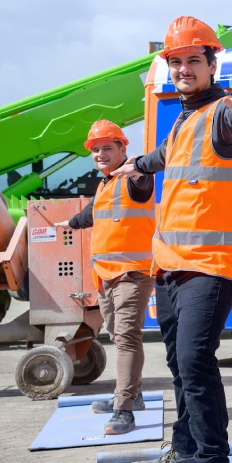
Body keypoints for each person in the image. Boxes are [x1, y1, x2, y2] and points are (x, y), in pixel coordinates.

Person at [110, 16, 232, 463]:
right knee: (178, 364)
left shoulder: (220, 114)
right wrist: (136, 165)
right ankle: (184, 451)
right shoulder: (181, 122)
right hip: (171, 266)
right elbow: (163, 158)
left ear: (211, 64)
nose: (182, 69)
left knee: (196, 363)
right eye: (175, 62)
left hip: (210, 265)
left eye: (192, 61)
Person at [57, 120, 155, 436]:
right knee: (115, 334)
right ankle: (133, 395)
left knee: (126, 337)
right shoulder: (104, 184)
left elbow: (142, 179)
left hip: (132, 273)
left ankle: (123, 409)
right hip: (106, 276)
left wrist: (138, 168)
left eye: (107, 148)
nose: (100, 154)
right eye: (95, 149)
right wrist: (69, 222)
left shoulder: (134, 178)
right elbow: (91, 214)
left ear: (122, 149)